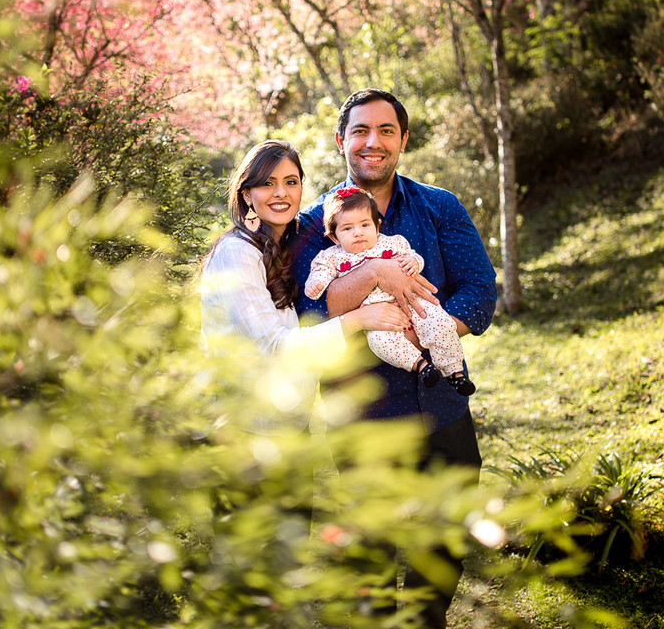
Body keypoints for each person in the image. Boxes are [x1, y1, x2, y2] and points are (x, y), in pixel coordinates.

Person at [291, 89, 497, 629]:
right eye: (360, 131)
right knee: (371, 543)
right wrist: (374, 276)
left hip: (442, 402)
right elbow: (311, 313)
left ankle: (429, 620)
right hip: (362, 411)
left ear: (403, 139)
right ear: (341, 141)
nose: (372, 142)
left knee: (446, 529)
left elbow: (478, 289)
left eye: (386, 130)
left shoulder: (439, 206)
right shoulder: (313, 224)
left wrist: (427, 328)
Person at [198, 139, 409, 372]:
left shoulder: (291, 244)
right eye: (267, 183)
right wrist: (359, 318)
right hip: (247, 405)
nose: (281, 193)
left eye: (291, 182)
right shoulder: (237, 252)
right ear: (247, 194)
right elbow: (275, 347)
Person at [304, 185, 476, 396]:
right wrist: (316, 284)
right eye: (347, 228)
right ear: (334, 237)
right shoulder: (331, 256)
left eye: (365, 225)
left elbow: (413, 257)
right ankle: (421, 366)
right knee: (380, 342)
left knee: (440, 322)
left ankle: (454, 371)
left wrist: (414, 262)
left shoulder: (393, 243)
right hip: (379, 319)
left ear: (377, 226)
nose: (358, 233)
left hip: (414, 304)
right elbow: (319, 273)